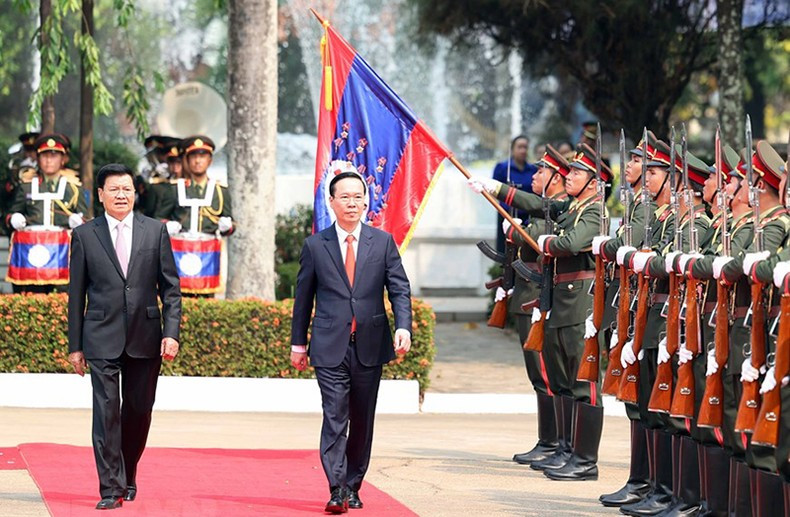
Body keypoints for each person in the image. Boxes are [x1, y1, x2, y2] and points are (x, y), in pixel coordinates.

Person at [470, 143, 612, 481]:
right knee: (563, 381)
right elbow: (540, 206)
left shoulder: (593, 212)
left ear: (594, 183)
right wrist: (497, 189)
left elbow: (567, 244)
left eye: (576, 173)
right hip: (563, 301)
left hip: (580, 304)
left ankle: (584, 459)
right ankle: (566, 449)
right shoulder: (572, 208)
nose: (569, 176)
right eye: (569, 171)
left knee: (582, 383)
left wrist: (539, 237)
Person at [289, 164, 412, 514]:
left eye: (358, 197)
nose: (352, 203)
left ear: (366, 202)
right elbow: (303, 299)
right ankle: (336, 488)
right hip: (329, 345)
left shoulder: (383, 242)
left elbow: (399, 289)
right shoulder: (315, 245)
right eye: (345, 197)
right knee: (334, 416)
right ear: (331, 201)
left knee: (362, 418)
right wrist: (299, 344)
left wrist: (403, 325)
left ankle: (354, 484)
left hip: (370, 345)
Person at [67, 163, 181, 510]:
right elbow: (77, 295)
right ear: (100, 195)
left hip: (145, 336)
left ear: (135, 193)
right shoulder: (86, 235)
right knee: (106, 413)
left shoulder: (154, 231)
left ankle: (128, 472)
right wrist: (75, 346)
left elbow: (171, 289)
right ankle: (110, 488)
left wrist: (172, 333)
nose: (121, 195)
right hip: (101, 336)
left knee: (138, 410)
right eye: (114, 189)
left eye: (126, 189)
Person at [502, 145, 569, 466]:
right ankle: (550, 439)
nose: (535, 175)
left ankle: (554, 441)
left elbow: (538, 240)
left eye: (542, 172)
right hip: (527, 298)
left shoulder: (557, 210)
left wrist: (519, 232)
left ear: (556, 179)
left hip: (537, 300)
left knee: (545, 374)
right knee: (538, 374)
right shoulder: (542, 210)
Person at [6, 133, 89, 293]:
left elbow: (87, 222)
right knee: (31, 296)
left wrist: (78, 222)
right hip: (31, 257)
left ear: (63, 159)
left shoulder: (74, 189)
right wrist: (14, 219)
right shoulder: (26, 187)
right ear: (38, 158)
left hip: (63, 259)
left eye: (54, 155)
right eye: (44, 156)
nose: (49, 160)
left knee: (62, 300)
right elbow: (8, 217)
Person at [162, 136, 234, 236]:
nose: (197, 161)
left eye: (202, 156)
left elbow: (230, 224)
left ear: (210, 161)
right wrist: (166, 226)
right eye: (193, 156)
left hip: (210, 247)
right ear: (187, 161)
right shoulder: (176, 189)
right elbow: (159, 217)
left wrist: (227, 226)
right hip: (181, 246)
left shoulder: (220, 190)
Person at [492, 135, 538, 253]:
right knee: (505, 249)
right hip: (507, 214)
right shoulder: (502, 168)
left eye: (525, 147)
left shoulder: (533, 169)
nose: (523, 150)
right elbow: (493, 189)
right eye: (520, 147)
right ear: (512, 149)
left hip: (526, 215)